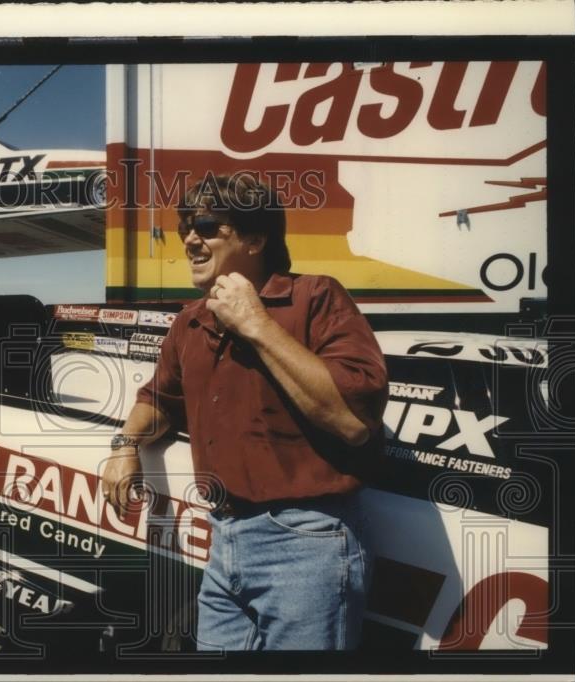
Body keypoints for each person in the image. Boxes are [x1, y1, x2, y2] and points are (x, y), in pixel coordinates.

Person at [101, 173, 388, 651]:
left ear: (256, 239)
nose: (191, 238)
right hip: (223, 536)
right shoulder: (190, 321)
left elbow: (355, 420)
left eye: (209, 226)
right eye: (185, 227)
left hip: (306, 542)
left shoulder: (314, 298)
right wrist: (125, 444)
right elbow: (159, 400)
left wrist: (253, 322)